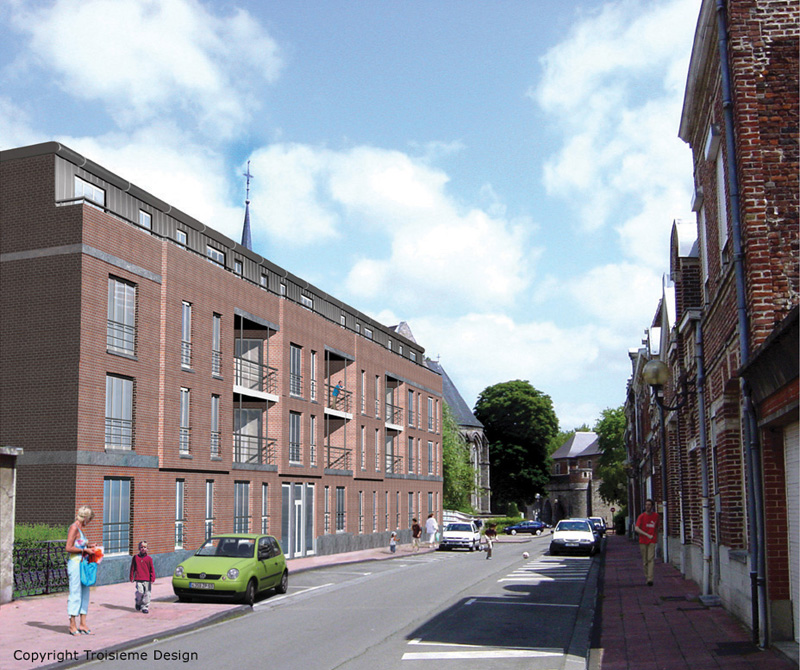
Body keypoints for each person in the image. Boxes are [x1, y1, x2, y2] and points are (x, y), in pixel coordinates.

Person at [65, 505, 96, 635]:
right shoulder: (74, 528)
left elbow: (79, 544)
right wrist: (85, 550)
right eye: (89, 519)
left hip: (83, 564)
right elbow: (68, 547)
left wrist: (89, 546)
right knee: (75, 592)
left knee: (85, 592)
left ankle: (83, 624)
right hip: (75, 564)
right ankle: (72, 624)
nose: (89, 522)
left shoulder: (80, 529)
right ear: (85, 518)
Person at [635, 498, 659, 586]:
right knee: (645, 561)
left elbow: (657, 527)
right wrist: (646, 534)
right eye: (646, 505)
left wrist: (655, 537)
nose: (647, 507)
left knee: (650, 559)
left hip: (652, 540)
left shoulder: (656, 516)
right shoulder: (641, 517)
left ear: (652, 506)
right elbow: (636, 528)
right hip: (643, 541)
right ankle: (647, 576)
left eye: (649, 505)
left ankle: (650, 579)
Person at [130, 541, 156, 613]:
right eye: (141, 547)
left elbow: (152, 569)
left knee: (147, 593)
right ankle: (138, 603)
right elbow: (132, 568)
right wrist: (131, 577)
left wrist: (152, 578)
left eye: (145, 547)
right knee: (140, 592)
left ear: (147, 549)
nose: (143, 549)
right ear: (139, 548)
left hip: (147, 579)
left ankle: (145, 607)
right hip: (139, 578)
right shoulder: (135, 558)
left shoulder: (149, 559)